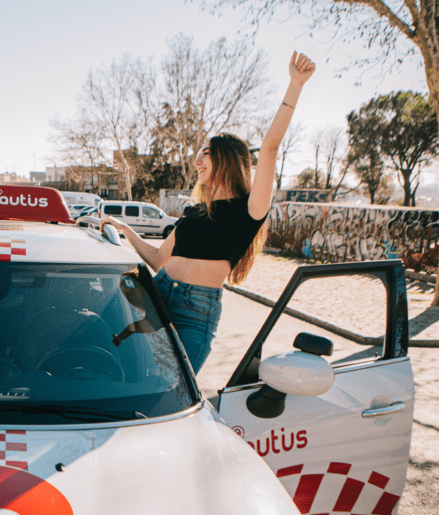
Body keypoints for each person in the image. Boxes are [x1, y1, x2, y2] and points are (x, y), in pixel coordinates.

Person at [101, 51, 315, 373]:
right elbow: (159, 259)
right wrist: (123, 229)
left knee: (172, 387)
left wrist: (295, 84)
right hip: (158, 293)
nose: (197, 162)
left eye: (206, 155)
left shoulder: (249, 210)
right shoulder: (193, 212)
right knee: (122, 364)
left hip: (196, 310)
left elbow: (270, 145)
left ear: (227, 160)